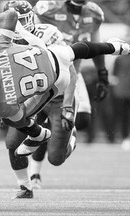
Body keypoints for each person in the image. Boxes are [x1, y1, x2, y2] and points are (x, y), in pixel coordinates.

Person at [0, 8, 130, 196]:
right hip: (53, 61)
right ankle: (115, 47)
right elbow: (8, 17)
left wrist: (67, 107)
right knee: (75, 51)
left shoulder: (0, 102)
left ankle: (41, 135)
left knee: (52, 154)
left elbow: (21, 117)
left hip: (56, 88)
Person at [27, 0, 110, 188]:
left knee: (83, 119)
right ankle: (34, 174)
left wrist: (102, 75)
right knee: (39, 122)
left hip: (73, 72)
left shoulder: (94, 13)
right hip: (47, 73)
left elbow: (96, 46)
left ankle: (63, 135)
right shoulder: (48, 8)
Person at [0, 0, 78, 196]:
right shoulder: (3, 41)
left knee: (56, 158)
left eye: (21, 20)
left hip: (58, 98)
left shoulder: (48, 34)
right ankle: (25, 187)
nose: (18, 25)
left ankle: (71, 139)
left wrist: (68, 107)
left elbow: (72, 73)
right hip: (31, 99)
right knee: (12, 144)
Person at [112, 55, 130, 150]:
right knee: (124, 116)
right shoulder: (119, 59)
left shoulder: (119, 58)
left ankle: (125, 138)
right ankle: (125, 138)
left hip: (121, 91)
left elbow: (115, 75)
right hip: (122, 91)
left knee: (123, 116)